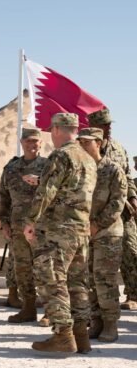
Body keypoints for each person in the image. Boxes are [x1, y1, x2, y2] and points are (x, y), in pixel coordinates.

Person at [23, 113, 96, 355]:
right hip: (80, 230)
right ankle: (81, 335)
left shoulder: (61, 155)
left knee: (51, 278)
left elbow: (47, 191)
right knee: (78, 283)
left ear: (56, 129)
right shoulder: (88, 158)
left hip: (58, 231)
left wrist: (31, 221)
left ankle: (63, 334)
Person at [0, 127, 49, 324]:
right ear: (21, 143)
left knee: (45, 268)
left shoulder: (48, 167)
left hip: (42, 228)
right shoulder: (11, 169)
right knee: (22, 268)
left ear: (41, 143)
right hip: (18, 228)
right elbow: (3, 197)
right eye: (28, 141)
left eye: (35, 141)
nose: (31, 144)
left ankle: (50, 311)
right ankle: (28, 308)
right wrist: (4, 222)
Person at [78, 128, 126, 342]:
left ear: (98, 143)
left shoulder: (113, 169)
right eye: (80, 142)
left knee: (104, 278)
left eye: (87, 142)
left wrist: (97, 225)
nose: (83, 146)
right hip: (85, 232)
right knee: (89, 279)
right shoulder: (81, 170)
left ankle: (110, 323)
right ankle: (96, 320)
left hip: (108, 232)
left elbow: (117, 202)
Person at [87, 108, 137, 311]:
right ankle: (95, 302)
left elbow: (127, 176)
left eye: (109, 124)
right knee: (93, 258)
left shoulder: (118, 148)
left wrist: (133, 198)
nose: (108, 128)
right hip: (95, 210)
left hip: (121, 209)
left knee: (131, 250)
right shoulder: (84, 149)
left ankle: (133, 294)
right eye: (103, 124)